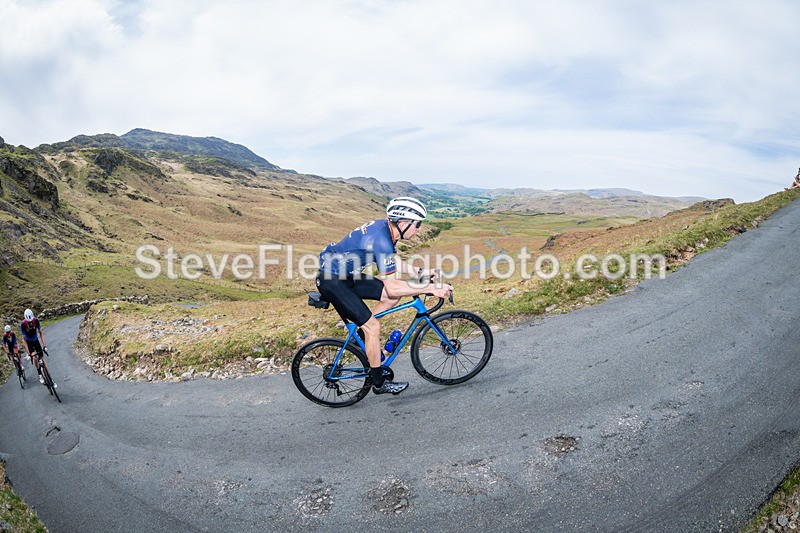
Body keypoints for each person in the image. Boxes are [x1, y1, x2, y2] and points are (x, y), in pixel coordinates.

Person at [316, 197, 452, 396]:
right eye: (418, 224)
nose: (419, 229)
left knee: (389, 299)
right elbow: (393, 287)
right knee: (374, 326)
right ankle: (379, 383)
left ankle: (362, 334)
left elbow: (391, 262)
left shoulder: (386, 230)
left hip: (345, 276)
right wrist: (428, 289)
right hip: (333, 281)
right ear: (404, 223)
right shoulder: (381, 239)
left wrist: (419, 272)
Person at [20, 308, 55, 387]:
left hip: (36, 340)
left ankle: (49, 377)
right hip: (29, 341)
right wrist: (29, 353)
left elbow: (41, 333)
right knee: (35, 357)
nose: (31, 322)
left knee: (42, 358)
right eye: (29, 322)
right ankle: (39, 373)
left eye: (31, 321)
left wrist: (44, 345)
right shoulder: (23, 324)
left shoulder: (36, 320)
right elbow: (23, 340)